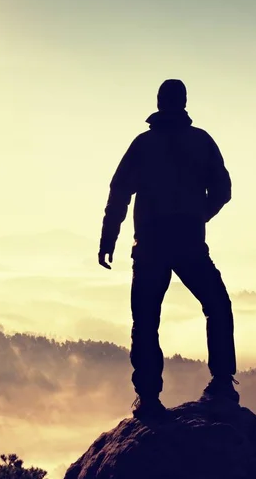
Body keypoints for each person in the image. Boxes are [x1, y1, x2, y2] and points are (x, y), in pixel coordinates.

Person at [98, 79, 238, 417]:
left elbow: (119, 193)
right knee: (217, 305)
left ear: (159, 103)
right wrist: (199, 215)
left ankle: (147, 398)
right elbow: (223, 189)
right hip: (189, 242)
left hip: (149, 245)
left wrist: (108, 238)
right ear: (184, 102)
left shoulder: (143, 145)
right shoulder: (201, 141)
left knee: (145, 320)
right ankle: (222, 382)